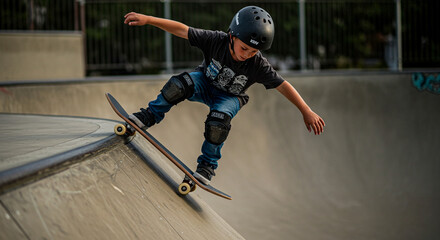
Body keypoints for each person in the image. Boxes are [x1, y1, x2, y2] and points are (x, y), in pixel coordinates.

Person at [124, 6, 325, 185]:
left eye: (253, 51)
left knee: (218, 123)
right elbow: (182, 30)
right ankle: (149, 116)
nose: (246, 54)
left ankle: (207, 166)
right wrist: (150, 20)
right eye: (244, 48)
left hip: (230, 98)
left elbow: (283, 86)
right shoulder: (215, 40)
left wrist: (306, 111)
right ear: (232, 36)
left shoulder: (259, 65)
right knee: (178, 84)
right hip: (204, 83)